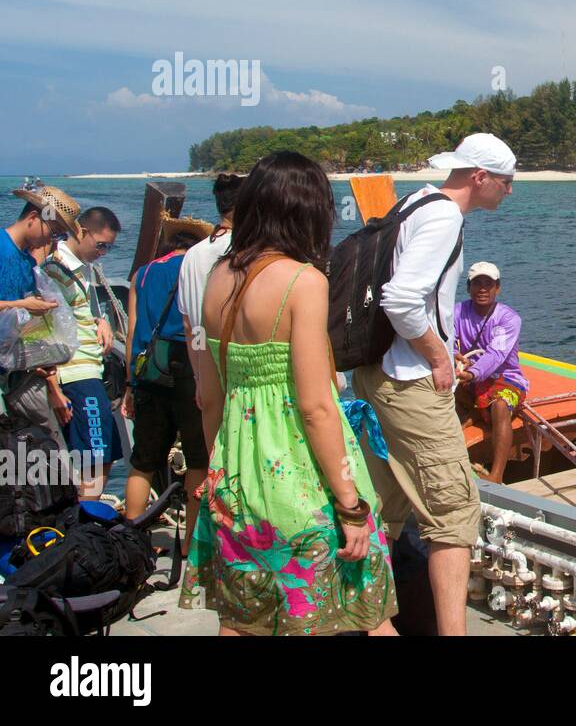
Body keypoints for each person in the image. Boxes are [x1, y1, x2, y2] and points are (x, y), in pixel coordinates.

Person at [180, 151, 397, 635]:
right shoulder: (304, 282)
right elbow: (317, 407)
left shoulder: (218, 277)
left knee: (241, 620)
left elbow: (210, 396)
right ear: (309, 212)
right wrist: (350, 505)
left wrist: (220, 467)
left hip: (235, 478)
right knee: (367, 613)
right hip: (300, 481)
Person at [352, 132, 515, 636]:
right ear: (480, 177)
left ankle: (369, 621)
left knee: (385, 504)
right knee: (453, 509)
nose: (509, 192)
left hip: (375, 374)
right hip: (409, 382)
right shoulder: (445, 216)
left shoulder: (414, 200)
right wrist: (439, 357)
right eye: (506, 183)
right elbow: (400, 300)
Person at [122, 232, 204, 553]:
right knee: (198, 460)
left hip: (149, 372)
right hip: (188, 369)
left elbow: (132, 332)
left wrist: (131, 383)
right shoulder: (194, 266)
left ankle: (133, 539)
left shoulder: (141, 275)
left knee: (143, 461)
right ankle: (189, 545)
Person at [41, 207, 124, 500]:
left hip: (91, 370)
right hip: (75, 373)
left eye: (110, 247)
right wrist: (53, 386)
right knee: (95, 456)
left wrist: (101, 321)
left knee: (108, 449)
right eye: (100, 244)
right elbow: (45, 330)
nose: (103, 252)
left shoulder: (84, 267)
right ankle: (85, 528)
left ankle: (87, 519)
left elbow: (76, 313)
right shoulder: (56, 267)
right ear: (81, 231)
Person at [1, 183, 80, 437]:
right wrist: (24, 305)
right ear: (34, 218)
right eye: (54, 232)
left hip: (11, 372)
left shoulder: (25, 261)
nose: (52, 241)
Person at [453, 261, 528, 483]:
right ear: (468, 287)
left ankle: (496, 474)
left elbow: (496, 354)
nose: (482, 289)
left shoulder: (509, 319)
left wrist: (473, 373)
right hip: (471, 380)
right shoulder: (457, 312)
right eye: (477, 283)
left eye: (488, 284)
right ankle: (473, 414)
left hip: (506, 379)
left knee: (501, 406)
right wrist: (452, 355)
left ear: (498, 288)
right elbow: (445, 338)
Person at [178, 173, 244, 412]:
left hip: (206, 369)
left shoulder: (193, 254)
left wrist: (199, 378)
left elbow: (189, 326)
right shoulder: (246, 249)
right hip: (242, 371)